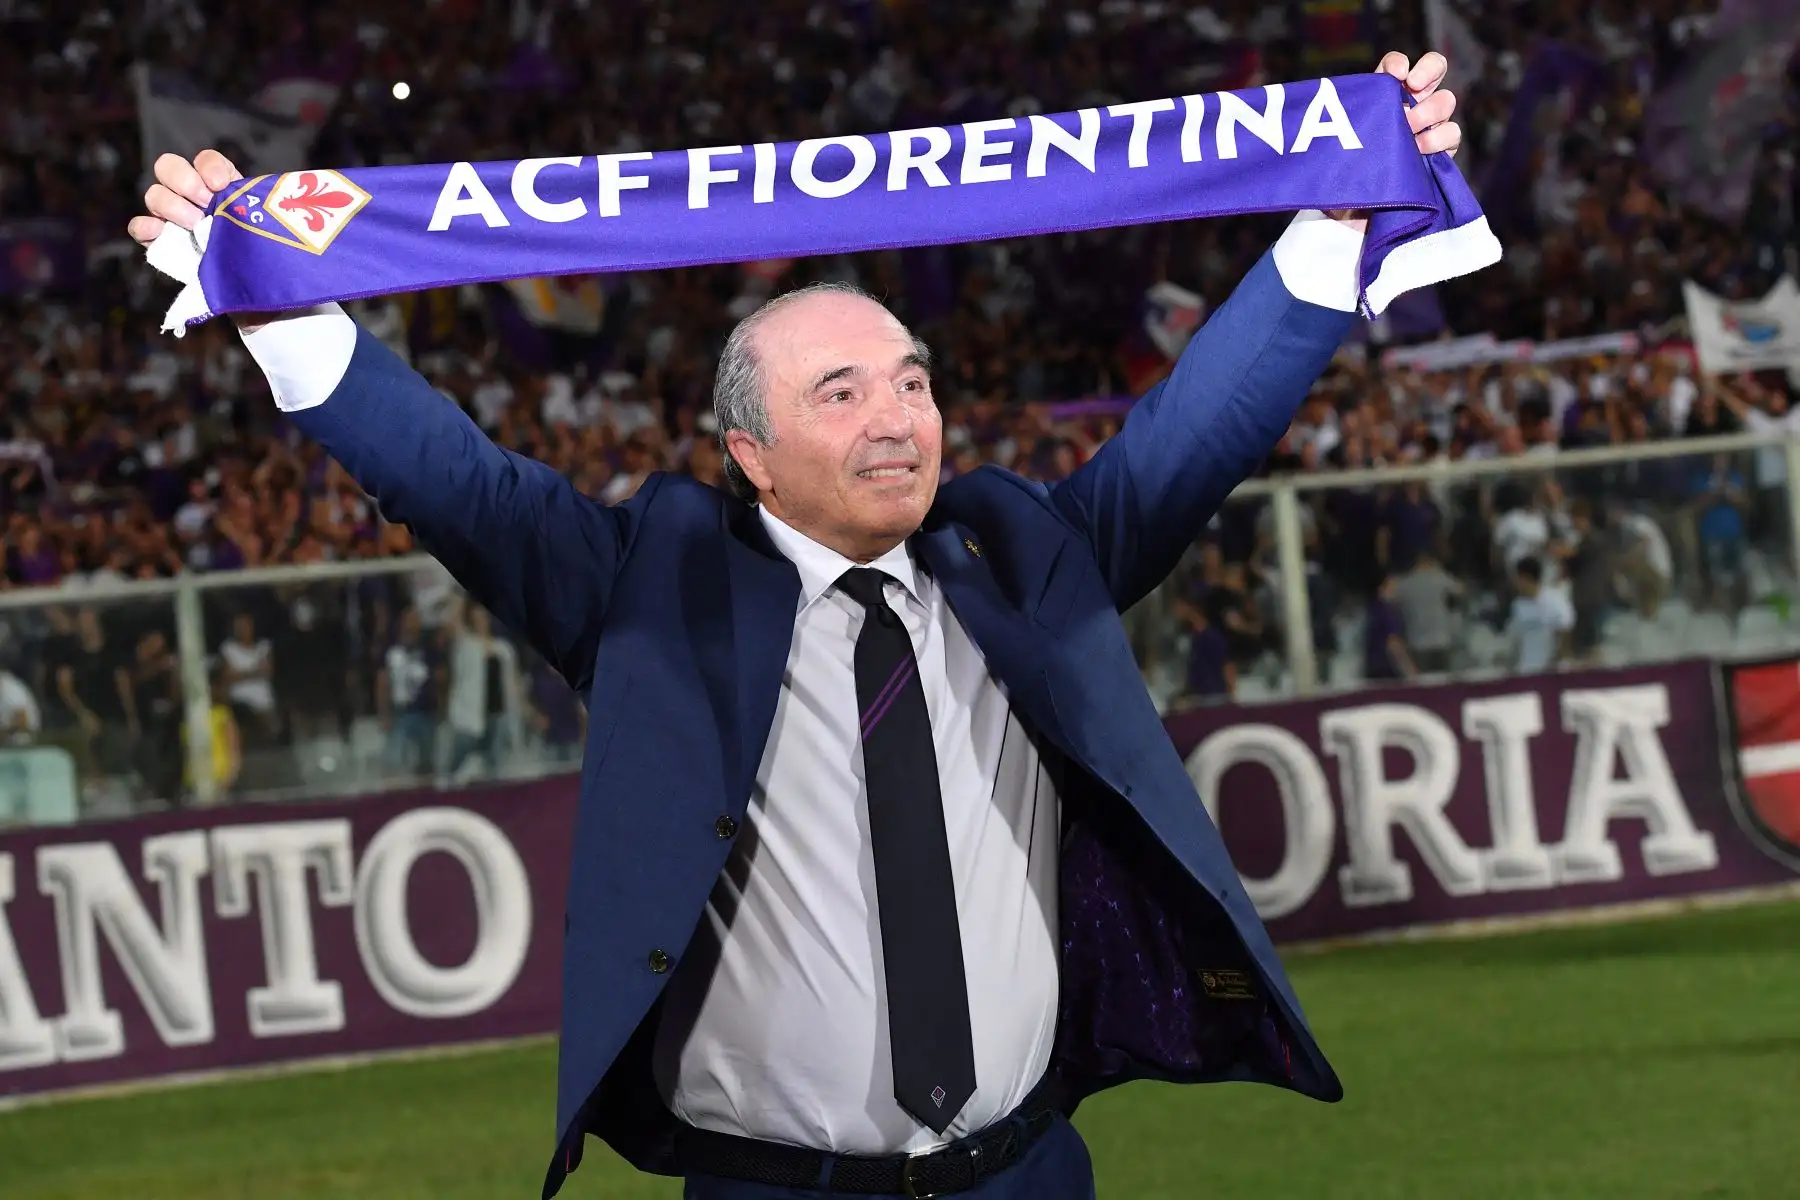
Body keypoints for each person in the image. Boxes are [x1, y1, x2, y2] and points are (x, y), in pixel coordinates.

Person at [131, 52, 1462, 1200]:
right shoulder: (651, 590)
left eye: (912, 382)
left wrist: (1344, 207)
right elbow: (458, 484)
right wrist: (274, 293)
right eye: (842, 392)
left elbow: (1194, 433)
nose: (898, 418)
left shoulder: (1019, 559)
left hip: (1031, 1174)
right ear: (751, 455)